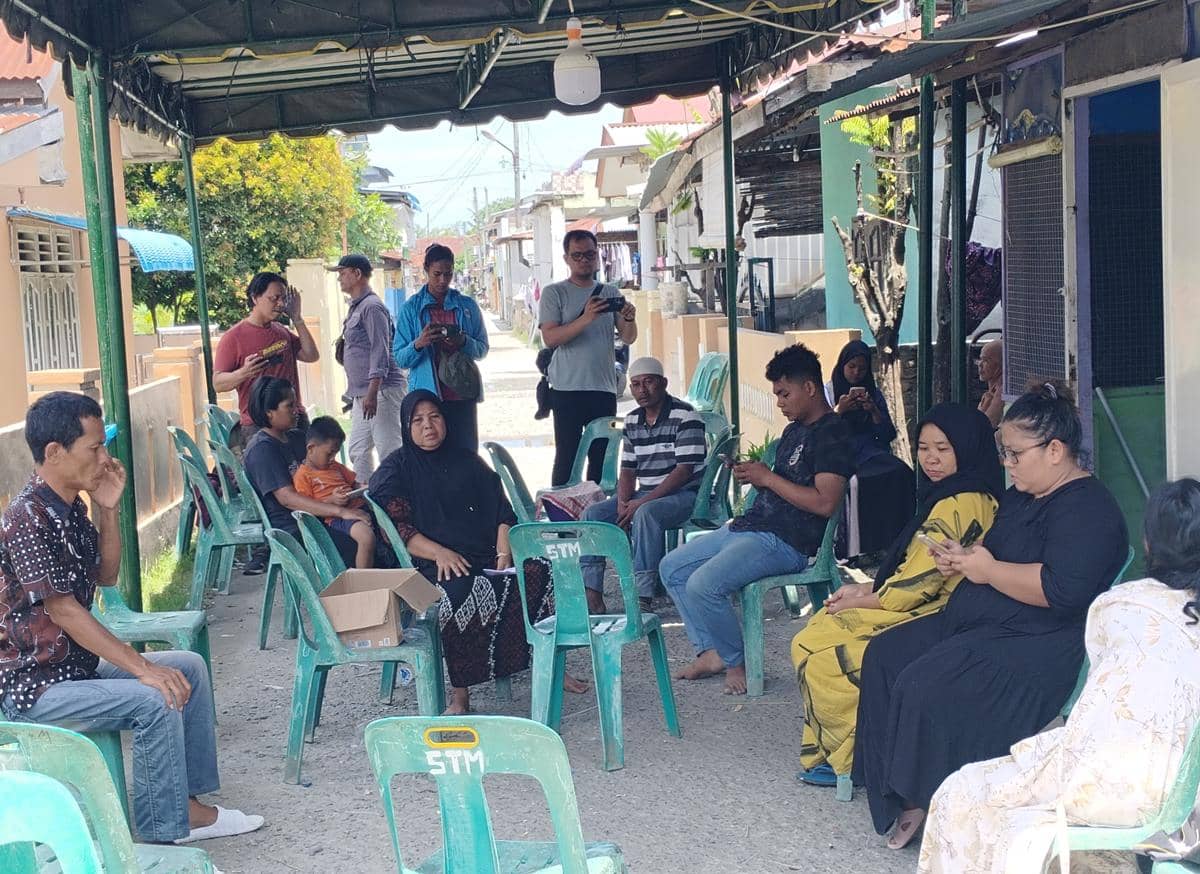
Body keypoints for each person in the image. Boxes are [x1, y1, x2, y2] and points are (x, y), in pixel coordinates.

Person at [853, 381, 1129, 851]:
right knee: (885, 653)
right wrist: (962, 559)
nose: (1007, 464)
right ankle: (895, 790)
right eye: (1005, 453)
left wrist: (989, 569)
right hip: (984, 622)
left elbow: (1060, 590)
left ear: (1056, 450)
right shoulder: (1023, 495)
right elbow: (995, 554)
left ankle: (932, 800)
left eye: (1016, 455)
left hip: (1034, 644)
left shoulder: (1090, 509)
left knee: (923, 683)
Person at [0, 392, 263, 845]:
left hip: (71, 669)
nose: (105, 458)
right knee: (153, 696)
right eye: (95, 447)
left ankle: (186, 800)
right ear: (54, 453)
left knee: (188, 668)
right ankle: (165, 828)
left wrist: (108, 510)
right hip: (34, 686)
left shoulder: (69, 508)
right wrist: (143, 668)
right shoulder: (28, 517)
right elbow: (62, 609)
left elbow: (106, 574)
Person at [919, 477, 1200, 873]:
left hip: (1113, 780)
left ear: (1150, 545)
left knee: (962, 792)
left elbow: (1104, 691)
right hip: (1187, 794)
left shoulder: (1121, 603)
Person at [791, 403, 1003, 788]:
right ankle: (847, 748)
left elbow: (914, 590)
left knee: (824, 654)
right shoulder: (956, 493)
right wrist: (865, 587)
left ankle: (854, 759)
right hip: (928, 603)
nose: (931, 459)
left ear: (967, 448)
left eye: (943, 448)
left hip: (937, 613)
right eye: (924, 448)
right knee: (820, 627)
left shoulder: (960, 502)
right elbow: (912, 571)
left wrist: (859, 599)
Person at [368, 390, 589, 715]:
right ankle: (461, 695)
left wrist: (503, 554)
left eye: (435, 417)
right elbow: (397, 531)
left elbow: (504, 513)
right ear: (406, 426)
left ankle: (552, 667)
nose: (428, 426)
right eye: (418, 420)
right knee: (458, 595)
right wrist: (440, 553)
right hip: (431, 565)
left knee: (541, 572)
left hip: (484, 556)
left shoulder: (466, 460)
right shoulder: (396, 470)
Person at [659, 344, 853, 695]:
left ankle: (737, 662)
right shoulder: (795, 429)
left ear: (809, 388)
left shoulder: (832, 434)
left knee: (704, 584)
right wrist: (754, 476)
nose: (779, 402)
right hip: (753, 527)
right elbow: (778, 483)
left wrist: (767, 479)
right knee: (672, 567)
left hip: (787, 541)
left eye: (784, 393)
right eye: (776, 394)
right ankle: (711, 650)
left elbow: (826, 503)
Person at [579, 356, 707, 615]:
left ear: (663, 383)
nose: (642, 390)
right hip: (645, 494)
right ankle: (592, 594)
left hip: (684, 495)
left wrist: (640, 503)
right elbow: (628, 469)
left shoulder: (686, 416)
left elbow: (683, 472)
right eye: (636, 384)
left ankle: (644, 595)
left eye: (648, 382)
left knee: (646, 513)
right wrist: (624, 501)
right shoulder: (633, 420)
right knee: (592, 515)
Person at [539, 229, 638, 487]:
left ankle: (596, 520)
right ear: (567, 258)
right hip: (566, 389)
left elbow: (628, 337)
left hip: (603, 388)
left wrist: (628, 317)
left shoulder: (610, 293)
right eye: (578, 255)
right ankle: (563, 521)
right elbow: (551, 338)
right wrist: (586, 318)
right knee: (567, 460)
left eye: (590, 254)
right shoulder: (554, 293)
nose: (584, 260)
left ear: (597, 256)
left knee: (602, 460)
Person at [242, 377, 367, 569]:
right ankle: (360, 590)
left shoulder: (297, 437)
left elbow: (329, 471)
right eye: (289, 405)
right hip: (294, 526)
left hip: (320, 514)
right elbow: (288, 499)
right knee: (360, 539)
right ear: (269, 413)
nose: (297, 410)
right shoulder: (262, 449)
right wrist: (341, 511)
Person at [393, 244, 488, 454]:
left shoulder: (467, 306)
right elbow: (400, 358)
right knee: (430, 459)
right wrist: (419, 343)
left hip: (462, 395)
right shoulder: (411, 309)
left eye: (448, 274)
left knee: (466, 456)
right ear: (426, 270)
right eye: (437, 274)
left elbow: (482, 350)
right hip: (427, 400)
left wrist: (463, 341)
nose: (443, 280)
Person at [825, 339, 914, 557]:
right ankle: (857, 548)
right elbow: (822, 433)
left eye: (861, 368)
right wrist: (840, 410)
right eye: (851, 367)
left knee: (902, 473)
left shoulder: (873, 393)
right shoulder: (829, 391)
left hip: (872, 451)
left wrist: (873, 411)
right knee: (860, 483)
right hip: (844, 453)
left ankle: (897, 543)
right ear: (842, 365)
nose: (856, 373)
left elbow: (887, 434)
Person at [213, 271, 318, 449]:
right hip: (258, 425)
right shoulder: (233, 337)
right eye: (274, 298)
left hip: (294, 418)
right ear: (255, 298)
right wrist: (243, 373)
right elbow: (218, 384)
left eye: (284, 299)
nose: (281, 304)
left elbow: (311, 355)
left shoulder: (281, 331)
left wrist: (297, 319)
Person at [330, 253, 407, 479]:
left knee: (389, 449)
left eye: (343, 273)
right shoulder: (357, 307)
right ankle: (369, 500)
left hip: (381, 390)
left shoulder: (372, 307)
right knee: (358, 450)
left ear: (357, 274)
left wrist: (373, 391)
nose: (339, 279)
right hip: (362, 393)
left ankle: (396, 502)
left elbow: (380, 350)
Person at [292, 417, 376, 569]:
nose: (332, 459)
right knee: (366, 537)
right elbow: (307, 507)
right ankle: (364, 581)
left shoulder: (335, 466)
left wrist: (363, 487)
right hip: (336, 518)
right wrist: (332, 500)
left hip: (358, 507)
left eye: (335, 454)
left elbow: (354, 482)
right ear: (311, 448)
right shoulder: (303, 476)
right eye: (329, 453)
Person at [976, 339, 1004, 429]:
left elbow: (986, 426)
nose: (980, 364)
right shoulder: (992, 390)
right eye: (980, 359)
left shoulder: (1002, 391)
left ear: (1000, 364)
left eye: (986, 360)